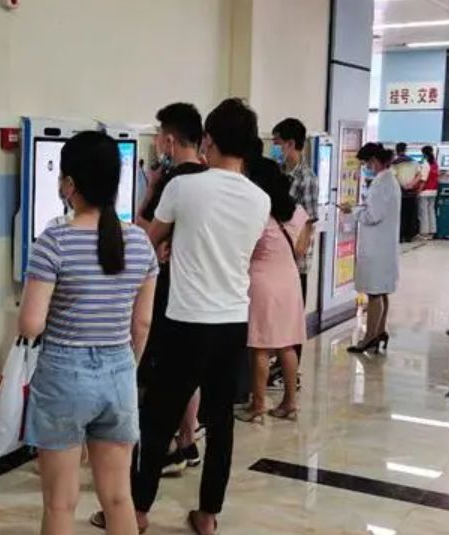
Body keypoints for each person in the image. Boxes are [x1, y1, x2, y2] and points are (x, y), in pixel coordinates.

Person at [93, 98, 270, 535]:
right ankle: (208, 515)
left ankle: (137, 512)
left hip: (185, 320)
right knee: (221, 425)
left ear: (208, 140)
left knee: (157, 419)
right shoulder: (260, 199)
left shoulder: (184, 187)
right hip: (231, 323)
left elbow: (147, 241)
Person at [19, 131, 158, 535]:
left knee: (60, 503)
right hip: (118, 372)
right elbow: (143, 322)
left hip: (63, 373)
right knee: (118, 498)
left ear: (69, 184)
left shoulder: (53, 242)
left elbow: (31, 324)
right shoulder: (138, 242)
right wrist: (126, 365)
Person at [135, 103, 208, 476]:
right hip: (202, 297)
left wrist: (148, 190)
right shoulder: (210, 177)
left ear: (169, 138)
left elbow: (146, 234)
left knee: (163, 374)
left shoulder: (171, 182)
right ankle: (188, 440)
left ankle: (166, 450)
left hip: (169, 289)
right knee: (190, 373)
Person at [235, 156, 309, 424]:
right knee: (287, 344)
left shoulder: (257, 214)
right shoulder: (298, 212)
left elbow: (243, 249)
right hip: (289, 281)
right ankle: (289, 403)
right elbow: (301, 250)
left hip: (262, 283)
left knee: (260, 347)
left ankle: (258, 406)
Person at [268, 118, 318, 390]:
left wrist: (297, 252)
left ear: (290, 143)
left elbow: (310, 221)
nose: (274, 149)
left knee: (292, 320)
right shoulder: (277, 172)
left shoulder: (306, 178)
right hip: (275, 260)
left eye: (277, 143)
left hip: (296, 263)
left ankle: (291, 374)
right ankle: (277, 368)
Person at [340, 142, 400, 353]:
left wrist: (353, 211)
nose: (366, 167)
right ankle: (380, 331)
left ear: (374, 161)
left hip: (377, 247)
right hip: (384, 246)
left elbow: (372, 216)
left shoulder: (382, 183)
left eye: (366, 163)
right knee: (382, 292)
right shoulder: (389, 180)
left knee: (375, 294)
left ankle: (369, 337)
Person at [393, 142, 420, 243]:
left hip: (400, 192)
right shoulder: (414, 162)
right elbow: (418, 175)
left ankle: (400, 236)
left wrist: (403, 185)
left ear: (396, 150)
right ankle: (409, 236)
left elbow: (394, 176)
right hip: (412, 193)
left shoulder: (395, 163)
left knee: (400, 215)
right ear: (406, 150)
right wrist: (412, 184)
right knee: (411, 214)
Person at [417, 145, 439, 238]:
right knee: (431, 211)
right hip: (434, 190)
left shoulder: (426, 164)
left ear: (424, 154)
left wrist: (418, 191)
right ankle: (432, 231)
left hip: (425, 191)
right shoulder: (435, 163)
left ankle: (424, 233)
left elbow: (423, 180)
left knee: (423, 212)